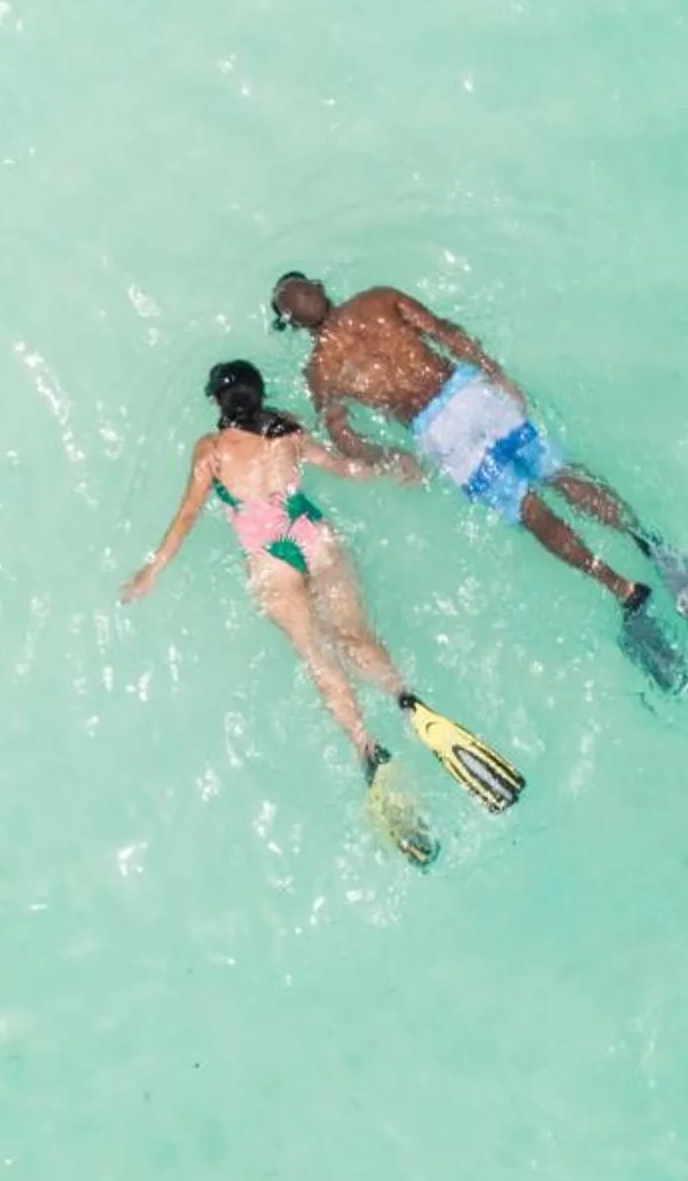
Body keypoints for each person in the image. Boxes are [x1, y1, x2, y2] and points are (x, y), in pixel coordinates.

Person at [267, 271, 688, 692]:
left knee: (529, 510)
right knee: (558, 473)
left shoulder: (321, 371)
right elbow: (446, 332)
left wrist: (393, 458)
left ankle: (622, 588)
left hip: (437, 433)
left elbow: (345, 439)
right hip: (468, 394)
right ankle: (649, 543)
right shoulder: (377, 299)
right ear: (318, 286)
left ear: (289, 324)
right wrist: (494, 372)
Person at [122, 359, 529, 867]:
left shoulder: (210, 451)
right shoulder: (286, 426)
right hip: (314, 538)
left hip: (271, 561)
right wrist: (389, 466)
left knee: (316, 653)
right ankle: (408, 702)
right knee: (355, 635)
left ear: (216, 404)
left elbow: (186, 516)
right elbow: (343, 466)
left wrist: (151, 572)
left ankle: (366, 748)